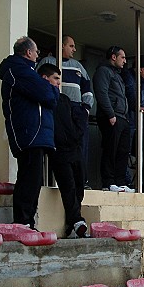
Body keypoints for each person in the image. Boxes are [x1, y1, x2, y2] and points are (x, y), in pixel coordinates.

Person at [0, 36, 60, 229]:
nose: (38, 55)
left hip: (34, 132)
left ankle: (27, 222)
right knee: (29, 178)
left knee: (34, 179)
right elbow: (47, 95)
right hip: (28, 132)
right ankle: (23, 221)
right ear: (28, 52)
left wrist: (50, 91)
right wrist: (51, 90)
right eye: (36, 52)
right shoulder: (18, 69)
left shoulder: (26, 71)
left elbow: (49, 96)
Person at [38, 63, 88, 238]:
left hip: (74, 148)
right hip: (58, 152)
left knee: (79, 185)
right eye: (56, 79)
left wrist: (77, 132)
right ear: (46, 78)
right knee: (68, 186)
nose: (59, 83)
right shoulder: (42, 100)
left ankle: (72, 223)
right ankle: (77, 221)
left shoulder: (64, 99)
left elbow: (76, 118)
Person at [37, 36, 93, 189]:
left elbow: (87, 88)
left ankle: (81, 181)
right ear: (62, 46)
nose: (74, 49)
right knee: (57, 146)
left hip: (76, 110)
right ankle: (50, 181)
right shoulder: (47, 62)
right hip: (55, 108)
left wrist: (86, 109)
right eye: (71, 46)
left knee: (79, 146)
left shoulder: (78, 66)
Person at [93, 45, 134, 193]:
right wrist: (110, 114)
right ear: (113, 57)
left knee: (123, 150)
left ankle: (120, 181)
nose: (124, 61)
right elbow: (102, 93)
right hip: (111, 116)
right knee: (111, 149)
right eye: (122, 57)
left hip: (122, 117)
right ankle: (108, 181)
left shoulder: (117, 74)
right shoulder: (103, 71)